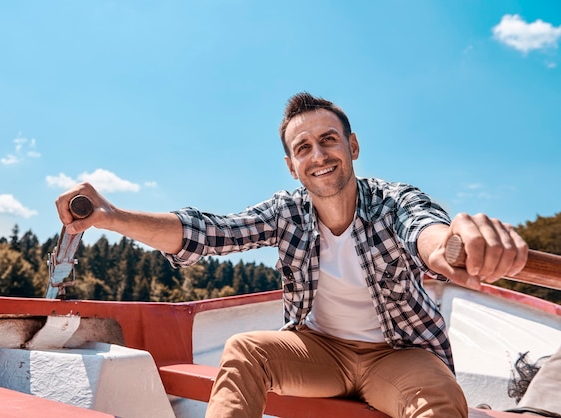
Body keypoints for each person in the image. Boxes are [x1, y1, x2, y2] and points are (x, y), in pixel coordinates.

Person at [56, 92, 528, 418]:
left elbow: (424, 231)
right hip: (319, 351)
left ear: (352, 146)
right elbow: (210, 232)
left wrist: (453, 246)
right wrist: (110, 214)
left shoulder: (392, 200)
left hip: (398, 355)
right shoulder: (287, 212)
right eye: (304, 147)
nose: (318, 155)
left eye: (328, 140)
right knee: (245, 350)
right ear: (291, 165)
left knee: (439, 397)